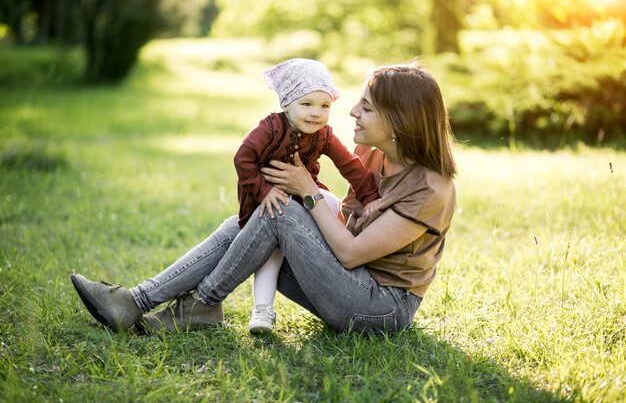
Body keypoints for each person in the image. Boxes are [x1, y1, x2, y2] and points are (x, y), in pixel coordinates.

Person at [70, 60, 457, 336]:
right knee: (250, 220)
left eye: (367, 107)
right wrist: (302, 200)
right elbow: (342, 223)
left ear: (400, 120)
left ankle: (196, 305)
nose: (352, 111)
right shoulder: (374, 155)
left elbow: (352, 253)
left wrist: (307, 192)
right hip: (348, 280)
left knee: (278, 210)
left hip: (380, 306)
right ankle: (137, 301)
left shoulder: (430, 190)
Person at [234, 58, 379, 334]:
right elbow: (243, 159)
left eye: (324, 106)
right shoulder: (269, 129)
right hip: (265, 200)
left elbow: (349, 164)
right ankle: (262, 310)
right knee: (271, 254)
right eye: (307, 104)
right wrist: (264, 190)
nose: (316, 113)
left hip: (302, 195)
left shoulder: (323, 135)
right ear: (286, 103)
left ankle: (327, 252)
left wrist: (369, 195)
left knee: (331, 201)